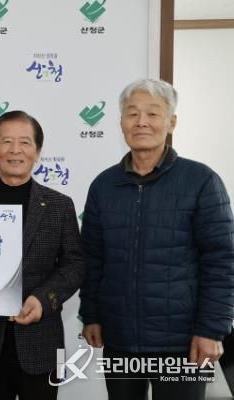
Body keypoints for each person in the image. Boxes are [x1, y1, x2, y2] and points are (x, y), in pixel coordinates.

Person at [79, 78, 234, 400]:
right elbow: (92, 258)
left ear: (171, 122)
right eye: (132, 113)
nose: (141, 122)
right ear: (121, 122)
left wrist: (211, 329)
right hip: (120, 340)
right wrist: (91, 314)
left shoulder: (201, 181)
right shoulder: (103, 186)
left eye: (152, 113)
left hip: (183, 344)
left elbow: (222, 260)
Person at [0, 110, 84, 400]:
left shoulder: (59, 205)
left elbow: (74, 264)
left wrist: (43, 300)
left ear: (38, 151)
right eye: (6, 141)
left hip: (41, 341)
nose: (15, 150)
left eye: (24, 142)